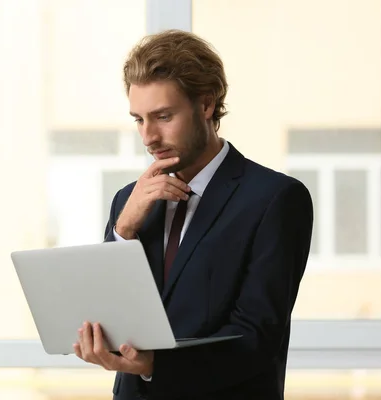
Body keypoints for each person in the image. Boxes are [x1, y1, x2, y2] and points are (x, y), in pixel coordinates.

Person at [72, 29, 314, 400]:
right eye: (138, 119)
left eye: (163, 116)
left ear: (206, 105)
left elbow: (256, 336)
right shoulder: (130, 200)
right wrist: (123, 229)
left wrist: (155, 366)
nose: (148, 136)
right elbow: (113, 313)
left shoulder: (275, 199)